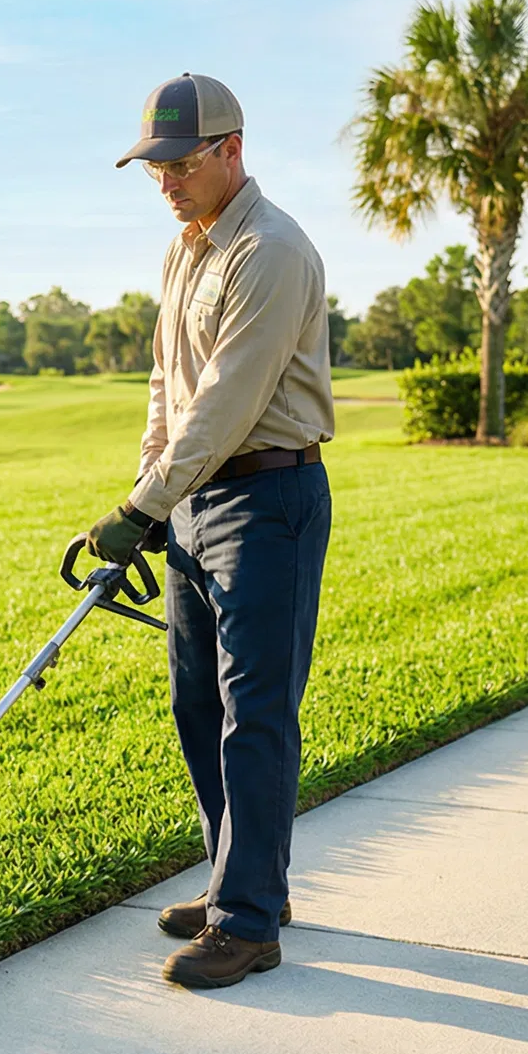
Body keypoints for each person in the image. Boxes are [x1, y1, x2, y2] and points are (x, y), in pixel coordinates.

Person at [84, 72, 334, 991]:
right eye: (154, 168)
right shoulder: (184, 250)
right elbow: (169, 386)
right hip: (195, 500)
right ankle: (243, 881)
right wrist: (150, 494)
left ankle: (249, 923)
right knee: (198, 705)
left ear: (232, 149)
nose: (166, 183)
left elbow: (228, 400)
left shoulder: (269, 250)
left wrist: (145, 504)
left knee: (254, 715)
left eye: (181, 165)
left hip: (267, 500)